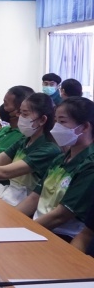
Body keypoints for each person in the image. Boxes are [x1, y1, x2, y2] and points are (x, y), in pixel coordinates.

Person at [16, 97, 94, 241]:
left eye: (62, 122)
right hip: (36, 227)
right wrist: (12, 221)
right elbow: (34, 198)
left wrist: (21, 231)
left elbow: (60, 215)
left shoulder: (90, 166)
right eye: (56, 121)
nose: (56, 127)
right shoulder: (60, 159)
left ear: (84, 127)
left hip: (61, 236)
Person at [0, 86, 34, 160]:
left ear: (19, 110)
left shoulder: (23, 137)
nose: (2, 107)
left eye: (6, 104)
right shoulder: (3, 130)